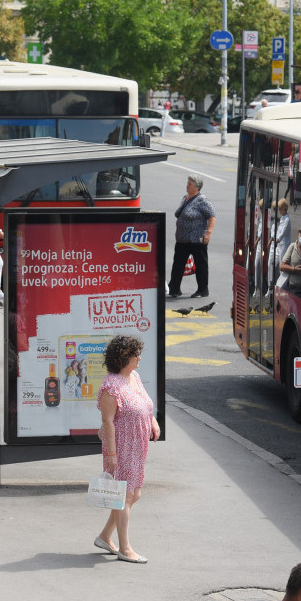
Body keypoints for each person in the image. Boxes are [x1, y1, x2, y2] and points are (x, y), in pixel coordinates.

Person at [94, 335, 159, 564]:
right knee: (126, 495)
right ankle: (125, 548)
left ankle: (104, 537)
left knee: (133, 494)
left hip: (137, 444)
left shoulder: (134, 376)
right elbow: (108, 422)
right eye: (135, 354)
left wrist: (152, 421)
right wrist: (111, 455)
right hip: (121, 446)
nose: (139, 357)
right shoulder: (111, 387)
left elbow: (144, 402)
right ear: (124, 358)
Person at [168, 175, 216, 299]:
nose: (187, 185)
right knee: (178, 264)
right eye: (187, 183)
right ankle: (174, 288)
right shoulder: (186, 197)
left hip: (196, 239)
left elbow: (212, 216)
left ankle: (202, 290)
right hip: (182, 238)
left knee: (201, 264)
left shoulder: (202, 200)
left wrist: (208, 232)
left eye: (190, 184)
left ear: (197, 187)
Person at [278, 225, 301, 296]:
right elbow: (282, 266)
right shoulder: (292, 246)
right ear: (298, 233)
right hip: (292, 289)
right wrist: (294, 269)